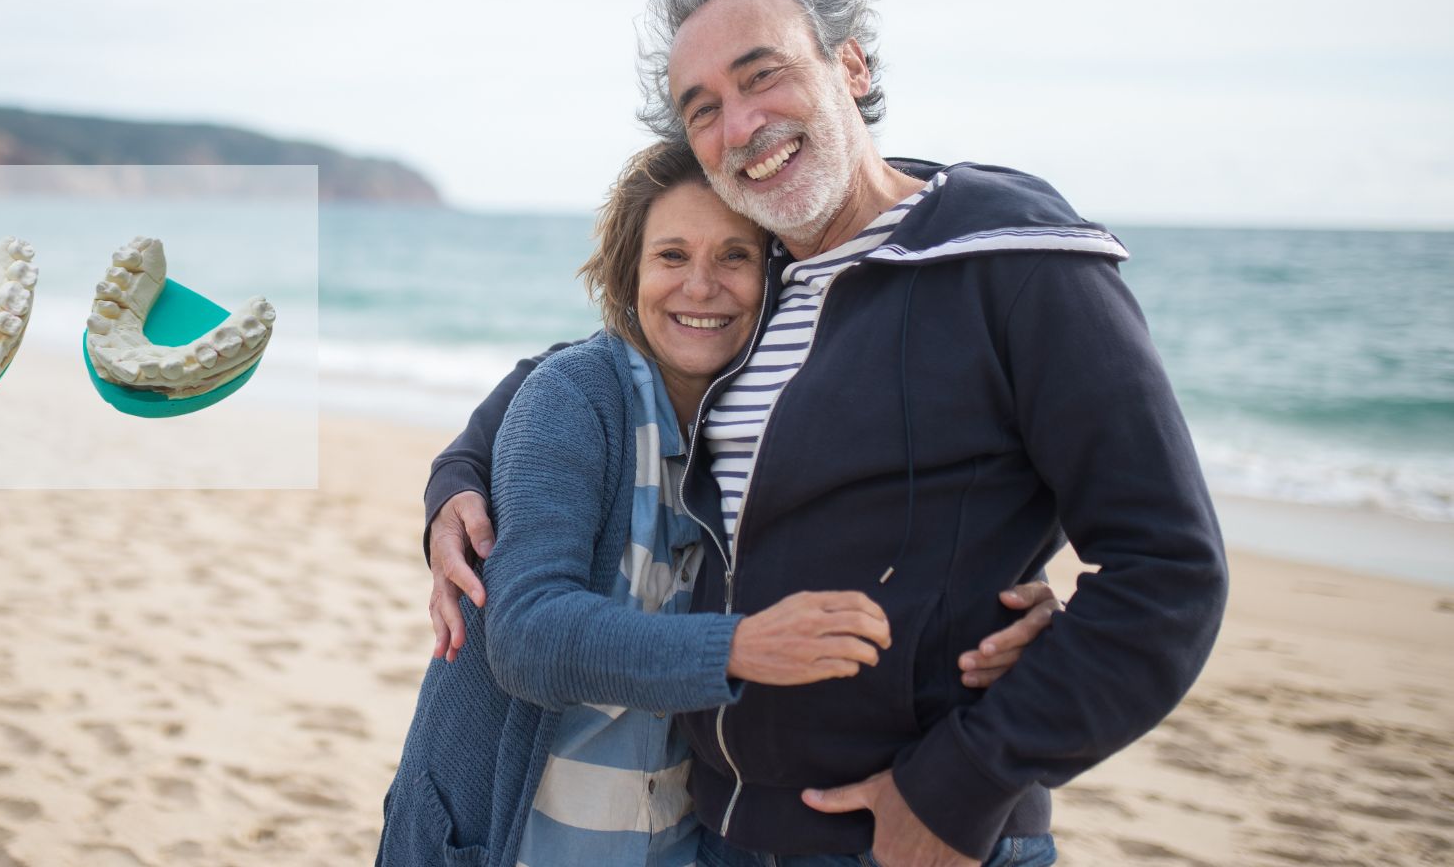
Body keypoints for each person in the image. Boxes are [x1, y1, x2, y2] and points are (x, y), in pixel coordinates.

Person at [424, 0, 1228, 867]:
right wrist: (456, 477)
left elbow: (1169, 571)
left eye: (761, 76)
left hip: (903, 838)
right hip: (714, 831)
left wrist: (961, 785)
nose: (741, 125)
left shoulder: (1014, 264)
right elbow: (587, 368)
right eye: (704, 110)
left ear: (850, 67)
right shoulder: (762, 275)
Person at [379, 143, 1059, 867]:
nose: (699, 287)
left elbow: (910, 530)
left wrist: (1009, 603)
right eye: (671, 256)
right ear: (628, 273)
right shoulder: (575, 397)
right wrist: (737, 649)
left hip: (679, 843)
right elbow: (525, 638)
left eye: (733, 257)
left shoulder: (788, 424)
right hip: (507, 839)